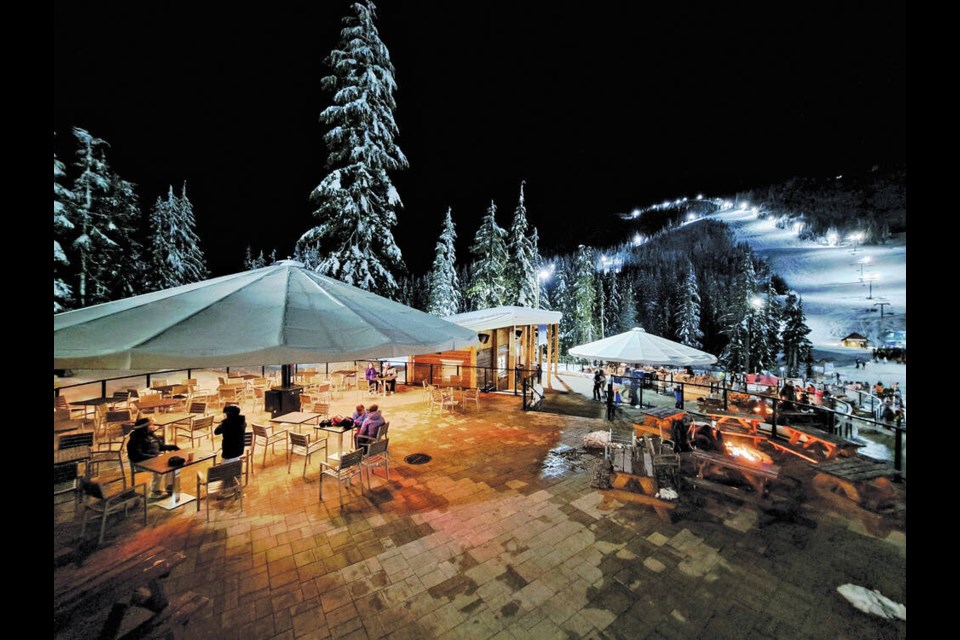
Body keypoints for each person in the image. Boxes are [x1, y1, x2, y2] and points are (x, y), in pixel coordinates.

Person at [127, 416, 179, 496]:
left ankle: (169, 487)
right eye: (151, 425)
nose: (153, 426)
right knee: (160, 467)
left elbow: (161, 447)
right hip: (141, 462)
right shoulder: (135, 439)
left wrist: (173, 447)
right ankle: (155, 490)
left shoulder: (152, 435)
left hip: (154, 459)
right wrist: (154, 458)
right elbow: (136, 455)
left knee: (172, 464)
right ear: (144, 427)